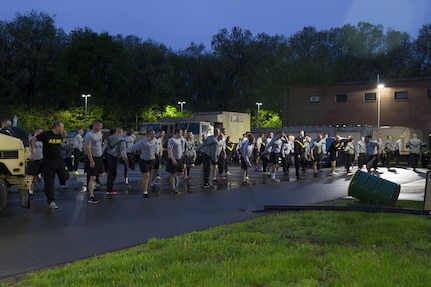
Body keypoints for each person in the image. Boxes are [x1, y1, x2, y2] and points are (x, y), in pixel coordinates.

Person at [30, 121, 69, 209]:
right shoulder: (46, 134)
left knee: (65, 176)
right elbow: (33, 139)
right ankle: (51, 200)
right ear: (57, 127)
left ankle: (62, 181)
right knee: (49, 181)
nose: (63, 129)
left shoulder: (60, 135)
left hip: (59, 160)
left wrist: (64, 135)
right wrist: (34, 149)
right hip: (49, 161)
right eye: (62, 127)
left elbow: (62, 139)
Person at [123, 129, 157, 198]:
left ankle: (144, 183)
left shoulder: (155, 141)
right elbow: (133, 147)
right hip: (144, 161)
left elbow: (157, 148)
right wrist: (125, 151)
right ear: (148, 135)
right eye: (151, 134)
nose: (153, 135)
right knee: (146, 176)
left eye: (154, 134)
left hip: (152, 160)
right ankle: (145, 192)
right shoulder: (143, 142)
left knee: (150, 174)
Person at [84, 120, 105, 204]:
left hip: (100, 157)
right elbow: (88, 148)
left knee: (102, 174)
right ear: (95, 126)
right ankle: (91, 196)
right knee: (92, 177)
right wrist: (91, 160)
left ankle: (93, 183)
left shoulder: (100, 133)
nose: (101, 127)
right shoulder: (89, 135)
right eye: (100, 126)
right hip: (93, 157)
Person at [105, 127, 126, 195]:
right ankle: (109, 188)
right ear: (120, 132)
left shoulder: (109, 138)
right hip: (115, 156)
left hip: (109, 155)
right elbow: (122, 150)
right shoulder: (122, 140)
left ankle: (109, 187)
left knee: (109, 172)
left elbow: (105, 146)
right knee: (113, 172)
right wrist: (125, 159)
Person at [166, 128, 185, 193]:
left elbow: (181, 148)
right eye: (180, 133)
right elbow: (169, 150)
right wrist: (173, 159)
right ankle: (173, 188)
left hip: (179, 158)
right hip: (173, 159)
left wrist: (182, 154)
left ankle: (177, 182)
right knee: (172, 174)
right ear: (176, 133)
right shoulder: (172, 140)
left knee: (180, 172)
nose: (181, 134)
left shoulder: (180, 139)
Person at [27, 128, 43, 198]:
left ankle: (39, 175)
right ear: (37, 132)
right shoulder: (31, 140)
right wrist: (30, 156)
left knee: (39, 177)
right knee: (31, 177)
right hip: (33, 160)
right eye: (41, 133)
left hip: (40, 159)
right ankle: (30, 191)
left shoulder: (42, 141)